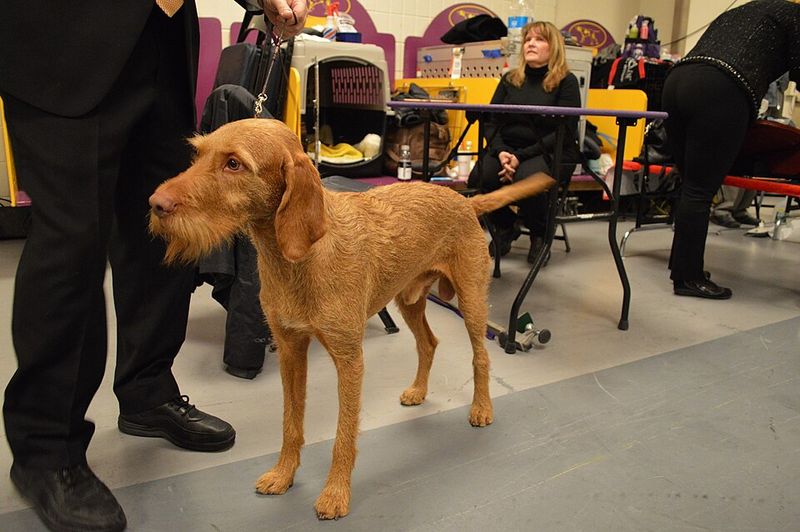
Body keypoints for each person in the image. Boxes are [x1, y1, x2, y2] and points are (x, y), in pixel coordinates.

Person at [0, 1, 307, 531]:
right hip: (61, 38)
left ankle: (147, 392)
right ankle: (47, 448)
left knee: (167, 224)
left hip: (160, 39)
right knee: (71, 240)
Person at [661, 0, 800, 300]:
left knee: (690, 185)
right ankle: (689, 279)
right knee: (700, 189)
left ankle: (681, 265)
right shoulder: (797, 17)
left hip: (677, 81)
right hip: (721, 87)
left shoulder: (747, 9)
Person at [469, 21, 581, 263]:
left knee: (527, 179)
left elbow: (565, 129)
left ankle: (540, 234)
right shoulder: (510, 79)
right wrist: (501, 152)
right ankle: (506, 226)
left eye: (539, 39)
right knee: (480, 177)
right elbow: (491, 120)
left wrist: (520, 157)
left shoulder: (566, 81)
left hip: (549, 149)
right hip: (507, 148)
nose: (531, 43)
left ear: (554, 48)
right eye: (528, 39)